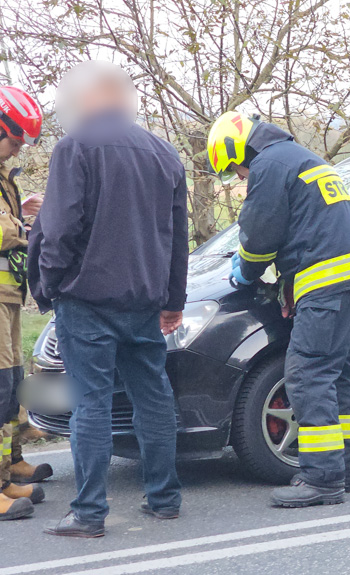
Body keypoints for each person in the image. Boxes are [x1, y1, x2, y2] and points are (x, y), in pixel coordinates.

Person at [29, 61, 189, 537]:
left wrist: (51, 284)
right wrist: (172, 300)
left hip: (88, 301)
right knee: (154, 398)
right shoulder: (165, 153)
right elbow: (176, 238)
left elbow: (59, 231)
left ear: (87, 97)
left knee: (91, 403)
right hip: (144, 300)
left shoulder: (75, 146)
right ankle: (165, 499)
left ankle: (89, 514)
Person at [207, 112, 350, 508]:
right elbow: (307, 227)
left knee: (307, 374)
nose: (239, 178)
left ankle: (321, 479)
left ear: (237, 152)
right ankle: (346, 470)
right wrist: (288, 282)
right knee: (342, 372)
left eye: (236, 170)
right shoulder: (298, 157)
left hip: (327, 282)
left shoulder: (268, 165)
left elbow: (260, 235)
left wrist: (244, 273)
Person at [0, 85, 50, 521]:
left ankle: (7, 467)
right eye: (15, 140)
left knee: (10, 383)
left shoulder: (2, 174)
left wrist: (22, 210)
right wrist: (24, 225)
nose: (18, 150)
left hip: (7, 296)